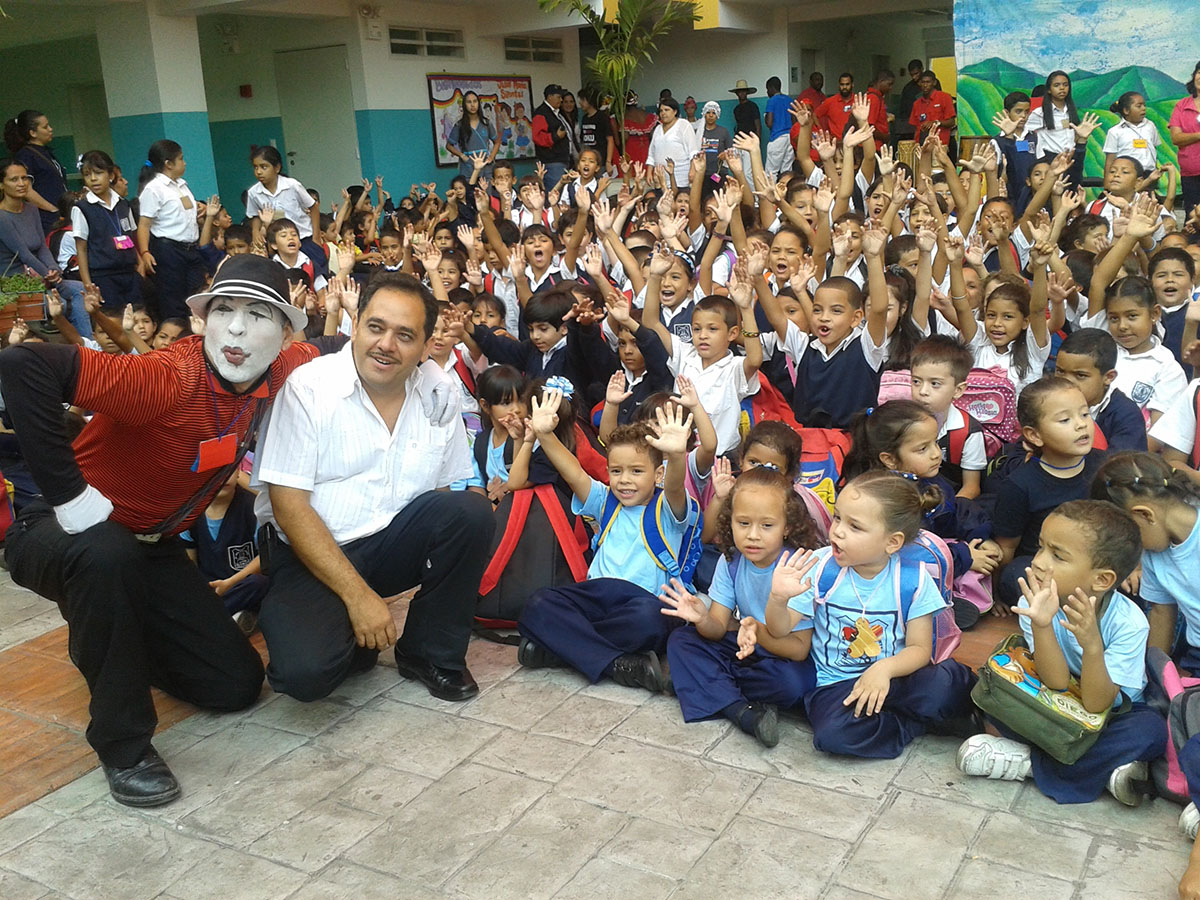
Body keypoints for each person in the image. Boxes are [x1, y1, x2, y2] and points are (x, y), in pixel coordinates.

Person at [0, 254, 319, 808]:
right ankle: (122, 745)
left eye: (259, 314)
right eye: (224, 311)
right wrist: (69, 496)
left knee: (235, 686)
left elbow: (340, 355)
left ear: (286, 333)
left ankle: (111, 636)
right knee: (106, 557)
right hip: (62, 534)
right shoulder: (165, 378)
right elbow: (23, 366)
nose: (238, 330)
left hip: (151, 546)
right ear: (201, 321)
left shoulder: (288, 366)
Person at [252, 271, 492, 704]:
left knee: (470, 513)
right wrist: (358, 599)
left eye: (405, 335)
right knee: (305, 676)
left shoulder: (438, 394)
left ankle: (429, 653)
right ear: (355, 323)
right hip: (311, 552)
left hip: (389, 542)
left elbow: (444, 497)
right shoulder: (309, 388)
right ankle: (347, 637)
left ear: (423, 346)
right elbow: (288, 506)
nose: (386, 345)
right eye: (376, 327)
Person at [957, 500, 1166, 806]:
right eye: (1041, 547)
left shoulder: (1129, 622)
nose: (1039, 561)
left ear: (1102, 579)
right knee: (988, 695)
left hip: (1109, 713)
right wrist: (1041, 625)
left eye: (1058, 555)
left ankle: (1028, 764)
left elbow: (1097, 703)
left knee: (1150, 731)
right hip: (1053, 701)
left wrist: (1092, 645)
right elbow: (1054, 682)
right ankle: (1102, 772)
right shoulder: (1038, 598)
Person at [764, 470, 977, 759]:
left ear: (892, 542)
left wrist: (883, 670)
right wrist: (778, 599)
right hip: (837, 685)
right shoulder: (819, 566)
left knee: (946, 683)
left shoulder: (912, 580)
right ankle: (910, 725)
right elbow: (779, 630)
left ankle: (907, 712)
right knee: (832, 735)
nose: (838, 531)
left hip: (894, 678)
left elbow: (919, 649)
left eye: (855, 526)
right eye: (838, 517)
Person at [518, 398, 699, 692]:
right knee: (537, 605)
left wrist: (677, 456)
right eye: (616, 471)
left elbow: (677, 487)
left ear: (658, 474)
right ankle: (619, 665)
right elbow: (573, 472)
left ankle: (557, 648)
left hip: (641, 602)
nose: (624, 480)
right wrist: (545, 435)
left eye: (636, 471)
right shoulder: (605, 502)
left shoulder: (668, 508)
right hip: (596, 595)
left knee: (650, 621)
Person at [661, 466, 822, 747]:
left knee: (795, 683)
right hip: (742, 649)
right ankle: (742, 712)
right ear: (730, 522)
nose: (753, 536)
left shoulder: (796, 568)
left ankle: (707, 686)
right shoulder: (731, 559)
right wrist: (701, 618)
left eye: (767, 525)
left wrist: (757, 632)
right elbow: (717, 627)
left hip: (779, 657)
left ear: (788, 526)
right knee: (682, 640)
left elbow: (798, 649)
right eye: (743, 523)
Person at [992, 377, 1107, 609]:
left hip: (1094, 559)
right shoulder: (1019, 484)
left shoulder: (1104, 466)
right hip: (1046, 564)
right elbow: (1007, 547)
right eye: (1065, 419)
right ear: (1034, 435)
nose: (1081, 425)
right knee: (1016, 576)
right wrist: (994, 595)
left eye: (1085, 414)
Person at [909, 335, 988, 499]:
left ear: (958, 390)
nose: (922, 391)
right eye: (916, 381)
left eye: (935, 384)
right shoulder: (903, 421)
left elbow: (971, 487)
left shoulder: (968, 432)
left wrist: (947, 512)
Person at [137, 139, 207, 321]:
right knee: (173, 301)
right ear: (168, 164)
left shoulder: (181, 185)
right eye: (181, 159)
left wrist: (199, 210)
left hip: (191, 248)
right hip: (168, 250)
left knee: (197, 295)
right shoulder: (153, 189)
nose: (185, 163)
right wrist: (145, 252)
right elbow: (144, 224)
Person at [1054, 328, 1148, 452]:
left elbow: (1120, 467)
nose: (1067, 382)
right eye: (1060, 371)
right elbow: (1022, 450)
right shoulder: (1047, 401)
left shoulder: (1127, 415)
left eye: (1080, 375)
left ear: (1108, 377)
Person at [245, 145, 326, 277]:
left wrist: (316, 237)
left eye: (264, 167)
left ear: (277, 168)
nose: (259, 172)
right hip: (278, 243)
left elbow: (313, 207)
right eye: (256, 167)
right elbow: (254, 216)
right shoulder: (254, 193)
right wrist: (255, 232)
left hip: (304, 238)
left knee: (318, 275)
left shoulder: (292, 185)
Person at [3, 109, 67, 232]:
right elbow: (26, 190)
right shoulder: (26, 155)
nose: (50, 129)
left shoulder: (46, 151)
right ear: (33, 133)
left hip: (59, 214)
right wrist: (52, 209)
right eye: (45, 127)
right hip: (47, 217)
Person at [1102, 91, 1161, 177]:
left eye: (1144, 105)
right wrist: (1107, 183)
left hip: (1149, 175)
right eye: (1139, 106)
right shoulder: (1115, 131)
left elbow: (1153, 149)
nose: (1143, 108)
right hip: (1126, 177)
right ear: (1126, 110)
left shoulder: (1150, 126)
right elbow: (1110, 160)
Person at [646, 97, 700, 188]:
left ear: (675, 111)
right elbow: (651, 154)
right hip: (660, 178)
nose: (663, 113)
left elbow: (693, 151)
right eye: (661, 111)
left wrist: (692, 170)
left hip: (680, 178)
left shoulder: (684, 125)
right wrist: (648, 173)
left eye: (667, 110)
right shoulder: (658, 129)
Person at [1169, 61, 1200, 218]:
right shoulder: (1182, 106)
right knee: (1193, 218)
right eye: (1199, 72)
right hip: (1191, 174)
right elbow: (1176, 138)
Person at [447, 90, 500, 180]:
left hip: (485, 167)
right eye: (469, 102)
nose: (472, 105)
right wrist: (462, 155)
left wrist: (491, 156)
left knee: (486, 193)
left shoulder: (486, 123)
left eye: (475, 101)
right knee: (470, 192)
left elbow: (497, 142)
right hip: (468, 168)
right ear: (464, 105)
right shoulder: (459, 125)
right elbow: (449, 146)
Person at [531, 84, 573, 189]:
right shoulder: (541, 113)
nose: (561, 100)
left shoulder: (557, 112)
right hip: (552, 162)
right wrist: (556, 136)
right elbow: (537, 137)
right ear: (550, 97)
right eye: (558, 97)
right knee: (556, 193)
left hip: (560, 160)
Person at [909, 71, 956, 147]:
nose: (925, 85)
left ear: (934, 83)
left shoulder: (944, 97)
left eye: (928, 82)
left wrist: (935, 123)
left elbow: (951, 122)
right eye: (923, 82)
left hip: (939, 145)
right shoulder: (917, 103)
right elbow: (915, 127)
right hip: (921, 146)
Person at [763, 76, 795, 178]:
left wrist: (766, 117)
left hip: (777, 138)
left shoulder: (772, 101)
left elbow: (769, 123)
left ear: (772, 88)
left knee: (771, 172)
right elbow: (794, 121)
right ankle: (787, 192)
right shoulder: (789, 100)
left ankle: (771, 193)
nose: (767, 92)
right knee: (787, 170)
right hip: (790, 137)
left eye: (768, 89)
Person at [578, 87, 615, 173]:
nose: (580, 103)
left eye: (583, 100)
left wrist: (608, 162)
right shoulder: (584, 118)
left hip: (601, 161)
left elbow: (610, 140)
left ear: (590, 100)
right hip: (588, 161)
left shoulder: (602, 117)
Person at [729, 80, 761, 174]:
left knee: (748, 172)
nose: (742, 93)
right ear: (736, 94)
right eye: (739, 91)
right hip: (738, 141)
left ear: (747, 92)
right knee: (739, 171)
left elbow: (758, 125)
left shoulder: (752, 106)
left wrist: (757, 142)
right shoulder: (736, 109)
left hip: (750, 141)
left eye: (744, 91)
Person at [621, 91, 658, 166]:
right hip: (646, 148)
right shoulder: (645, 114)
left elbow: (625, 137)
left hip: (631, 149)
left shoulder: (625, 117)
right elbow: (652, 135)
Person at [697, 101, 732, 179]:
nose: (711, 115)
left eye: (714, 113)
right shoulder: (699, 133)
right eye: (708, 112)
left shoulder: (723, 131)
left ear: (717, 115)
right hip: (702, 173)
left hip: (719, 172)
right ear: (704, 115)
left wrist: (725, 154)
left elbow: (731, 149)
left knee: (718, 191)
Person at [894, 59, 924, 148]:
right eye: (912, 75)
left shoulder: (933, 83)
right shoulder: (908, 88)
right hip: (911, 127)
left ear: (922, 69)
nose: (914, 77)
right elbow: (903, 109)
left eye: (916, 73)